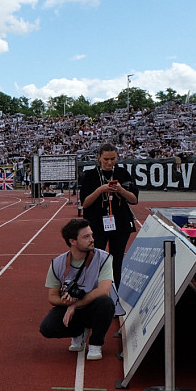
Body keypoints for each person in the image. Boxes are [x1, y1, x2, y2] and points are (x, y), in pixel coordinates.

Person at [40, 218, 117, 360]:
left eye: (91, 235)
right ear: (72, 241)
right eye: (86, 237)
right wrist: (65, 302)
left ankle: (95, 343)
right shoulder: (57, 263)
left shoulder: (104, 258)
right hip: (71, 308)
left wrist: (75, 305)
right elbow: (52, 296)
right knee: (47, 328)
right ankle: (79, 332)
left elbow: (103, 290)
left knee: (105, 303)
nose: (92, 239)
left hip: (93, 306)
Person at [79, 143, 139, 287]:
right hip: (96, 224)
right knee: (95, 260)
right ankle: (95, 290)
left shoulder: (123, 173)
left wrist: (121, 190)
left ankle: (114, 292)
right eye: (106, 159)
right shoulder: (90, 175)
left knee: (116, 261)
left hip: (120, 224)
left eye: (113, 159)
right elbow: (85, 203)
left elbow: (134, 200)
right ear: (99, 158)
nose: (109, 162)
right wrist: (100, 190)